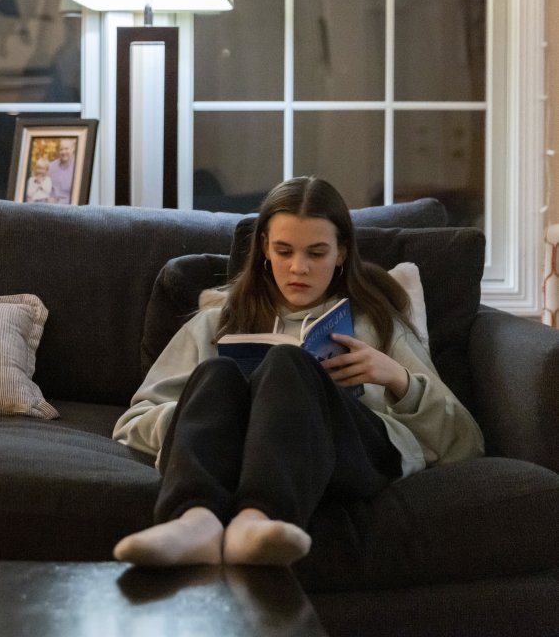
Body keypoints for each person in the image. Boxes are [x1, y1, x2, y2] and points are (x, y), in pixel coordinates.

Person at [112, 176, 484, 567]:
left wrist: (397, 378)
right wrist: (225, 420)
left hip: (353, 450)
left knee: (288, 363)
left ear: (341, 252)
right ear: (265, 250)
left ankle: (258, 518)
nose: (298, 268)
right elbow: (132, 423)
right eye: (284, 251)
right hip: (233, 453)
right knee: (218, 373)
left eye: (317, 253)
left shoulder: (375, 322)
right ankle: (195, 521)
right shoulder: (216, 322)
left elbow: (466, 441)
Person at [47, 138, 77, 204]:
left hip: (69, 206)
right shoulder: (51, 166)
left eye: (66, 149)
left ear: (73, 149)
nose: (63, 152)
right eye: (61, 149)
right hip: (50, 205)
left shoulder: (78, 167)